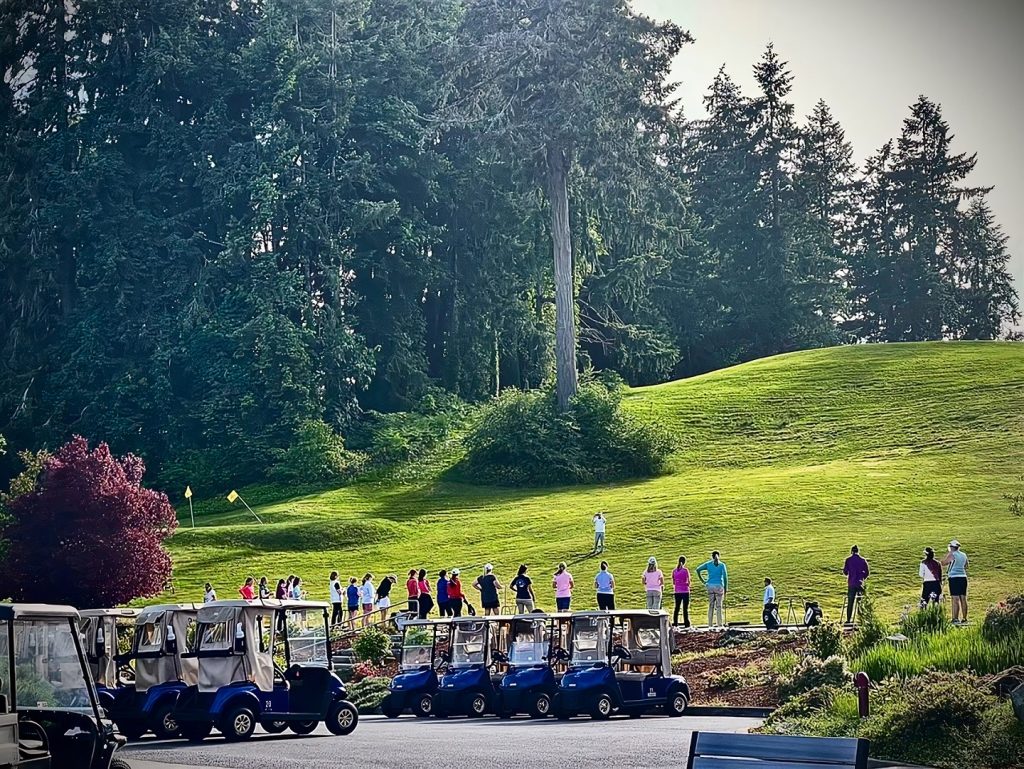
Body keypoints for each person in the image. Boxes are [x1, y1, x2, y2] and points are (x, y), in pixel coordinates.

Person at [696, 551, 728, 628]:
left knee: (711, 606)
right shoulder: (722, 565)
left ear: (712, 556)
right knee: (719, 606)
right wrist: (725, 588)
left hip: (710, 585)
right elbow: (725, 577)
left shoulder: (708, 564)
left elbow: (698, 569)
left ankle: (710, 624)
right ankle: (720, 624)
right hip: (719, 586)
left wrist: (703, 581)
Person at [942, 540, 969, 623]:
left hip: (954, 577)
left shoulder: (952, 554)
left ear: (951, 547)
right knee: (963, 598)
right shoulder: (963, 554)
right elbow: (966, 565)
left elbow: (944, 563)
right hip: (963, 577)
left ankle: (955, 618)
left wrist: (945, 556)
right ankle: (964, 618)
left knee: (955, 598)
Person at [843, 545, 870, 624]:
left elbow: (845, 572)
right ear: (858, 551)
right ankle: (861, 620)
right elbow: (867, 572)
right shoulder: (863, 560)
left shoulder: (848, 560)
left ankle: (848, 620)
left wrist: (849, 573)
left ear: (852, 551)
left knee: (850, 602)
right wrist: (862, 578)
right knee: (860, 603)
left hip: (851, 583)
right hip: (860, 584)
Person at [672, 556, 691, 628]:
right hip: (685, 591)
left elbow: (674, 582)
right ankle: (686, 623)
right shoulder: (686, 570)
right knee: (685, 608)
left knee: (677, 607)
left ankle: (675, 622)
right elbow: (688, 581)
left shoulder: (674, 571)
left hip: (677, 591)